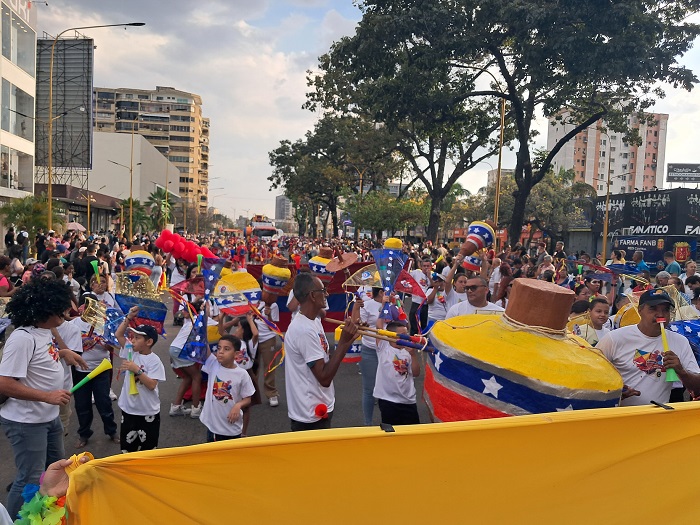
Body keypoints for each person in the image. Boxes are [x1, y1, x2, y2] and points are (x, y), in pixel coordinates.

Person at [0, 278, 74, 518]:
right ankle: (12, 521)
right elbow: (4, 382)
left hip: (48, 418)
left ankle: (43, 517)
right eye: (61, 309)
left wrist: (63, 352)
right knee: (29, 480)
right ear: (45, 309)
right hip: (26, 422)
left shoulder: (44, 331)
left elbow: (41, 359)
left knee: (56, 472)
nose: (66, 312)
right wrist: (47, 396)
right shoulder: (22, 338)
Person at [596, 289, 700, 406]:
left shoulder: (680, 341)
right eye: (653, 308)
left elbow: (697, 388)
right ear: (640, 310)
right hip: (621, 413)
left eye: (666, 310)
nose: (660, 314)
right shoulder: (615, 338)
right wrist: (614, 392)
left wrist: (681, 371)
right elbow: (593, 373)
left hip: (657, 414)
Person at [284, 272, 358, 431]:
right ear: (312, 296)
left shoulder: (314, 321)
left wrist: (350, 337)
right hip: (309, 414)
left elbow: (325, 358)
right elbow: (324, 378)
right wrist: (343, 343)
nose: (327, 294)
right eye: (323, 290)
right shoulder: (303, 330)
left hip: (319, 405)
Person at [67, 296, 119, 448]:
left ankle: (112, 431)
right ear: (80, 308)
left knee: (104, 402)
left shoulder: (104, 323)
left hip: (101, 369)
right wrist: (82, 343)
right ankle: (84, 434)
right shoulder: (73, 324)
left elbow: (113, 346)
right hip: (80, 370)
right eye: (86, 307)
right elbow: (66, 347)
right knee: (82, 405)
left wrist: (103, 342)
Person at [114, 306, 167, 452]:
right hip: (129, 410)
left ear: (148, 342)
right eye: (132, 337)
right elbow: (118, 334)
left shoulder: (154, 361)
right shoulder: (130, 351)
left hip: (147, 412)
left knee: (148, 450)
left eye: (137, 338)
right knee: (127, 450)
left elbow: (151, 385)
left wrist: (136, 370)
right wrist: (129, 317)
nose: (132, 340)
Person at [199, 334, 255, 442]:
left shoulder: (242, 374)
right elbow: (203, 342)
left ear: (236, 354)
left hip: (233, 428)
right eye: (219, 348)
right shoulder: (213, 364)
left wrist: (238, 405)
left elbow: (248, 398)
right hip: (213, 428)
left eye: (226, 349)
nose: (220, 352)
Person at [373, 319, 420, 425]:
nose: (406, 338)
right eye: (402, 335)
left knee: (412, 432)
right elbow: (379, 326)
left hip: (408, 400)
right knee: (392, 431)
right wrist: (385, 309)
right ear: (391, 336)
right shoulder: (384, 347)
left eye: (406, 334)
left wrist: (413, 355)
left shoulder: (408, 351)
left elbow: (416, 373)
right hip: (388, 400)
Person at [351, 286, 385, 425]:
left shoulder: (394, 304)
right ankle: (368, 424)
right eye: (389, 290)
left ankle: (387, 421)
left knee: (387, 389)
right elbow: (357, 324)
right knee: (369, 389)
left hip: (388, 351)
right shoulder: (367, 305)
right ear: (381, 292)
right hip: (370, 350)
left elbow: (403, 324)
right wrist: (356, 310)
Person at [254, 297, 281, 407]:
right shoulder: (252, 303)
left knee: (269, 366)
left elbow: (273, 327)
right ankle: (251, 393)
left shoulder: (273, 305)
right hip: (253, 338)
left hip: (268, 338)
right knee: (253, 367)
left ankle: (271, 393)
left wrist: (269, 316)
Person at [408, 257, 432, 335]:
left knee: (424, 325)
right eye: (424, 266)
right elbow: (407, 275)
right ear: (421, 267)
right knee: (414, 323)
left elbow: (434, 286)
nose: (426, 268)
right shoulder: (416, 273)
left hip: (426, 304)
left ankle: (423, 339)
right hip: (416, 302)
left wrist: (429, 277)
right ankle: (413, 338)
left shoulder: (433, 275)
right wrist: (410, 264)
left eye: (428, 266)